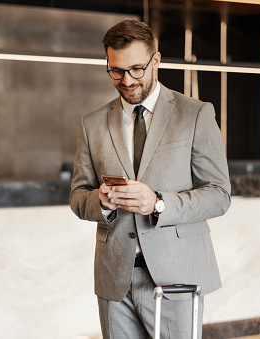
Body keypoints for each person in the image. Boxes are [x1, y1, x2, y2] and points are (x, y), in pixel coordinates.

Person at [69, 20, 231, 339]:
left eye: (136, 69)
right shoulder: (93, 124)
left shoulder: (195, 114)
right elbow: (77, 195)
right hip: (115, 278)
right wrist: (99, 201)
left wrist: (158, 203)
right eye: (116, 70)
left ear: (156, 61)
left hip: (177, 275)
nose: (127, 80)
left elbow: (219, 194)